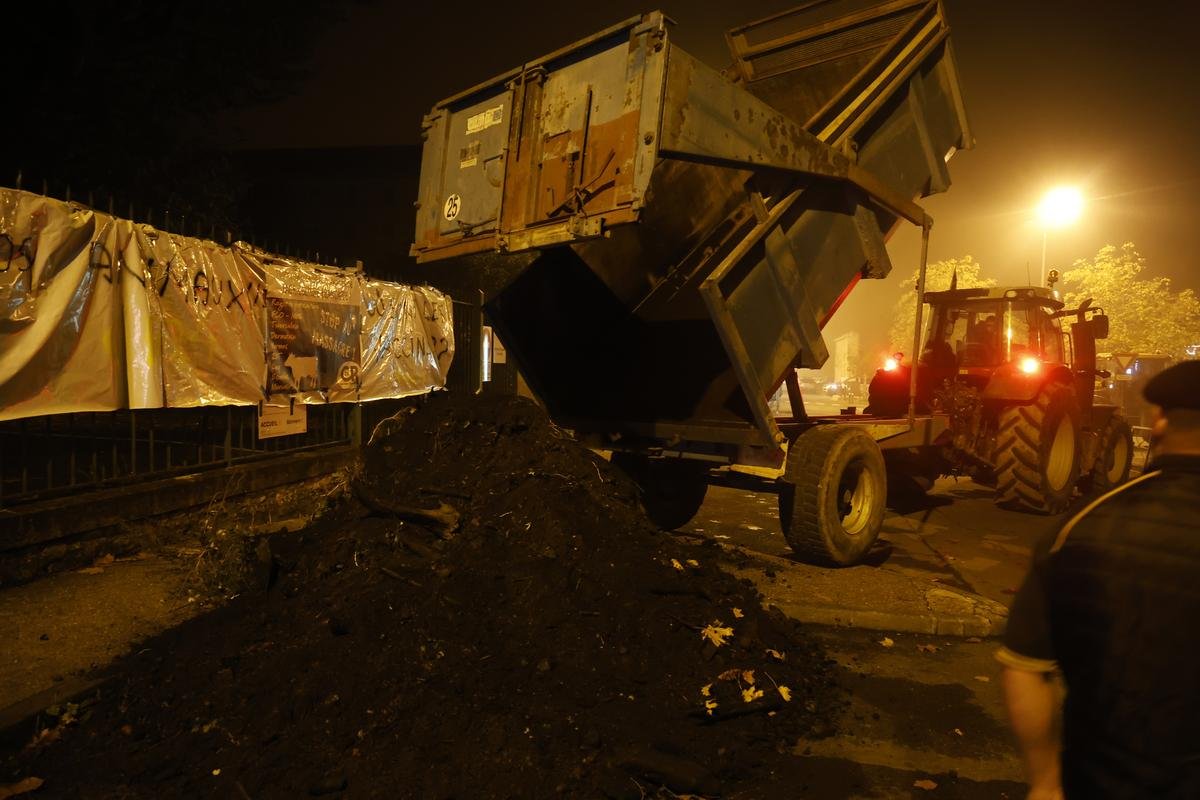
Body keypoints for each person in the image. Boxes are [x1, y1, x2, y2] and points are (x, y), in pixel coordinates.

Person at [996, 359, 1200, 799]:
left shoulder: (1081, 527)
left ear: (1161, 420)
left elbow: (1026, 667)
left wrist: (1046, 783)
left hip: (1101, 780)